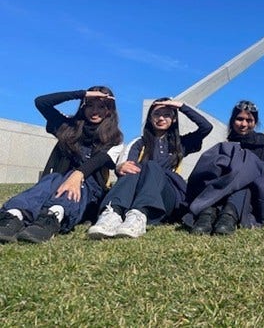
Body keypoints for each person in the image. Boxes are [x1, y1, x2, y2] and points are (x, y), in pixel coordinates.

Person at [0, 87, 123, 243]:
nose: (95, 111)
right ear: (83, 106)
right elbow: (41, 102)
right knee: (51, 180)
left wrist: (77, 175)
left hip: (90, 189)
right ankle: (13, 215)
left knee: (73, 184)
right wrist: (82, 94)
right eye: (90, 105)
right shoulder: (68, 126)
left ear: (109, 111)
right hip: (56, 181)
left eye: (101, 106)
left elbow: (97, 162)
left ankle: (53, 218)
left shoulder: (115, 139)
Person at [87, 98, 213, 239]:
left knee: (151, 166)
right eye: (157, 114)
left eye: (166, 115)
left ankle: (139, 215)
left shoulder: (181, 143)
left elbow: (206, 127)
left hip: (168, 194)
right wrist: (120, 168)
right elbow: (127, 169)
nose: (161, 118)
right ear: (150, 118)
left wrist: (181, 106)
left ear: (174, 119)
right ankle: (113, 213)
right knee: (132, 168)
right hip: (139, 191)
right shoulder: (139, 143)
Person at [183, 100, 264, 235]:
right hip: (220, 190)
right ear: (232, 120)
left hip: (248, 195)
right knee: (218, 180)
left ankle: (228, 217)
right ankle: (206, 214)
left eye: (249, 120)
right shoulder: (224, 147)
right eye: (239, 119)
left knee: (242, 185)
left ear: (255, 123)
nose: (244, 124)